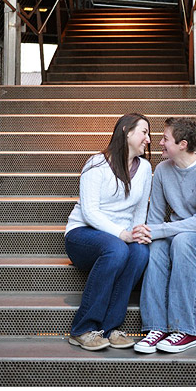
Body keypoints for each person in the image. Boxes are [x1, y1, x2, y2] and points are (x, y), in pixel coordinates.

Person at [134, 117, 196, 354]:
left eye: (165, 139)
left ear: (182, 144)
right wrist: (149, 233)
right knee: (157, 246)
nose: (159, 143)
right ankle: (156, 327)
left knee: (182, 240)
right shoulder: (163, 170)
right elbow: (156, 218)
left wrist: (161, 230)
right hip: (180, 238)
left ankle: (185, 330)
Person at [64, 113, 153, 351]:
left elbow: (139, 210)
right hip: (83, 235)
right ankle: (82, 329)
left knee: (141, 254)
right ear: (126, 131)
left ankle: (111, 328)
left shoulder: (144, 168)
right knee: (116, 250)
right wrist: (122, 234)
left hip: (118, 240)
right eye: (144, 132)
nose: (148, 139)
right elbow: (90, 212)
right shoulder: (96, 164)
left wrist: (136, 234)